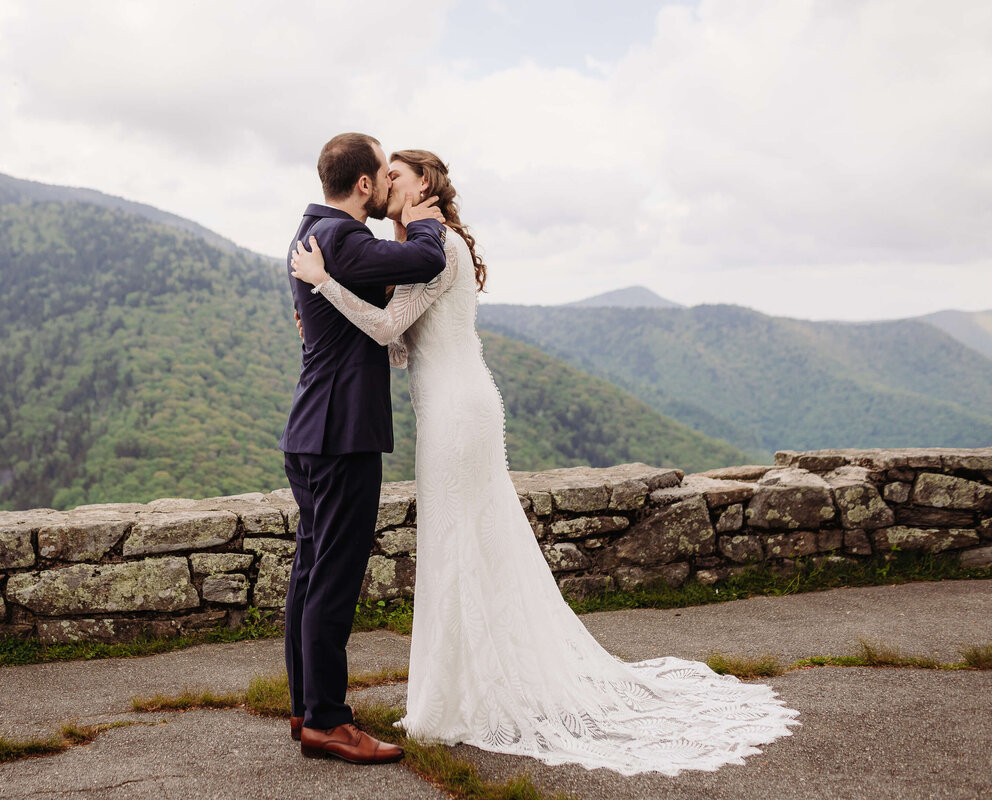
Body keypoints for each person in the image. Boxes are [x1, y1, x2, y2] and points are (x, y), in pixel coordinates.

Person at [288, 149, 799, 775]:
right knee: (456, 545)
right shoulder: (410, 249)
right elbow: (399, 346)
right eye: (384, 173)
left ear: (426, 185)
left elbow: (384, 330)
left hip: (457, 412)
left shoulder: (437, 245)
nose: (389, 183)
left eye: (400, 174)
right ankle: (459, 686)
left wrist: (324, 287)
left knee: (462, 542)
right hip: (441, 405)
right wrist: (324, 308)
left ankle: (473, 690)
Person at [280, 133, 449, 765]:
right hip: (342, 435)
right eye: (383, 173)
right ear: (362, 185)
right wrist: (423, 223)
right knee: (334, 579)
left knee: (309, 573)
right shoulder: (347, 240)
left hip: (309, 433)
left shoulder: (310, 230)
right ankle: (327, 720)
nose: (387, 184)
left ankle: (305, 707)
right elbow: (425, 263)